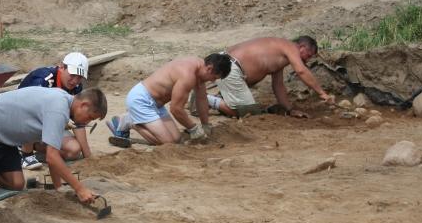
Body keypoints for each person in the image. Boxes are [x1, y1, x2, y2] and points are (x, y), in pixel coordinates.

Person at [0, 86, 107, 204]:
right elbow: (52, 157)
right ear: (84, 104)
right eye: (89, 117)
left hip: (4, 137)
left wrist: (58, 187)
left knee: (16, 184)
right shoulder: (58, 108)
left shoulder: (63, 102)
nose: (86, 122)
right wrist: (80, 189)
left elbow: (51, 150)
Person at [106, 53, 232, 146]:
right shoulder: (188, 76)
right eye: (214, 77)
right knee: (168, 143)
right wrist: (193, 128)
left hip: (156, 105)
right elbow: (176, 109)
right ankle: (130, 121)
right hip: (141, 99)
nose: (213, 81)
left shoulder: (200, 67)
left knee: (176, 139)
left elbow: (202, 98)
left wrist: (205, 125)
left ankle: (134, 120)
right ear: (209, 68)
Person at [198, 36, 334, 118]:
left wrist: (290, 110)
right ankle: (207, 99)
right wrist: (322, 93)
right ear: (302, 47)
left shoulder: (279, 56)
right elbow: (301, 71)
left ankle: (215, 100)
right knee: (248, 112)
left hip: (227, 64)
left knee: (247, 109)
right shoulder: (290, 47)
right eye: (308, 55)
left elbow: (278, 86)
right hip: (229, 66)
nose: (308, 60)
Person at [16, 51, 91, 170]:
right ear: (62, 67)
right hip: (23, 120)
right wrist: (61, 121)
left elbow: (78, 122)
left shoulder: (76, 87)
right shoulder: (43, 80)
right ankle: (25, 152)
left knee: (74, 151)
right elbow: (28, 109)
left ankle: (42, 152)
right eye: (72, 75)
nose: (75, 81)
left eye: (80, 77)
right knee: (32, 113)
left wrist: (89, 158)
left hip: (47, 124)